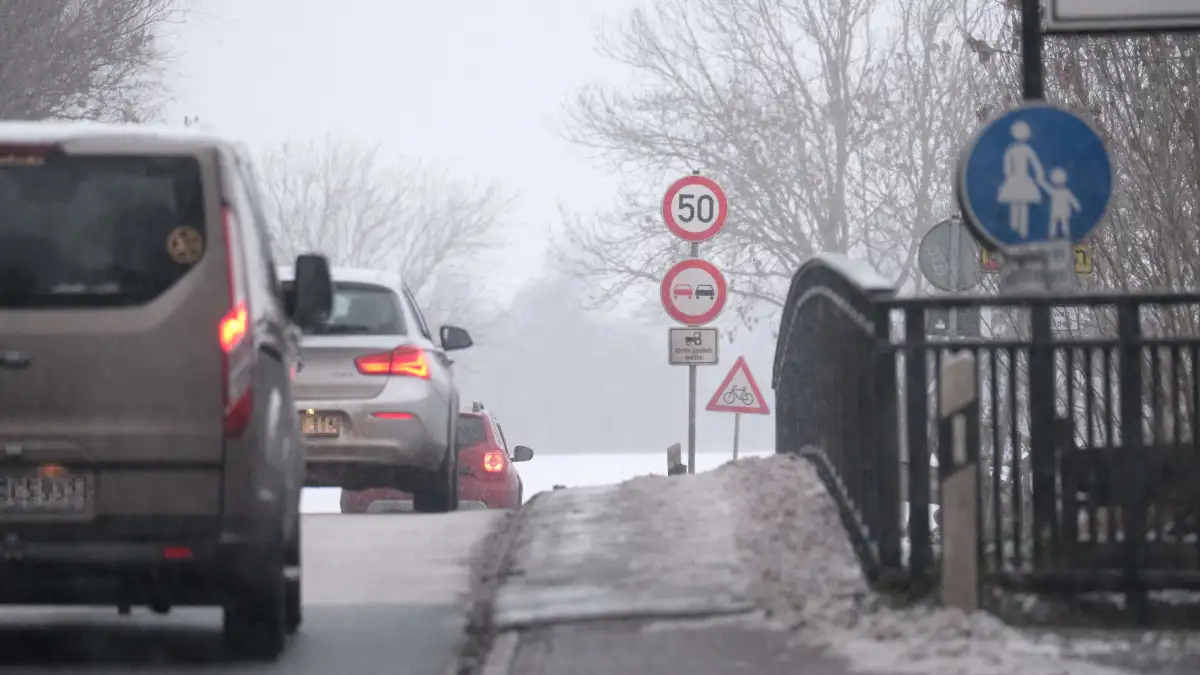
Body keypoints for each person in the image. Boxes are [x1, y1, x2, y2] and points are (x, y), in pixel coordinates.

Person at [996, 121, 1047, 239]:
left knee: (1022, 205)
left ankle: (1022, 232)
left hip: (1022, 180)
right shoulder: (1012, 150)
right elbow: (1007, 165)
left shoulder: (1025, 150)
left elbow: (1035, 163)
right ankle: (1015, 230)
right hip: (1015, 180)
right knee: (1015, 204)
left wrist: (1039, 173)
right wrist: (1008, 176)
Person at [1043, 167, 1080, 239]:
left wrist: (1076, 206)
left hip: (1062, 211)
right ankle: (1052, 235)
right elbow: (1072, 199)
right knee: (1054, 223)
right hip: (1057, 211)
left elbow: (1072, 199)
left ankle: (1065, 234)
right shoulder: (1056, 191)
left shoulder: (1064, 192)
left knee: (1063, 223)